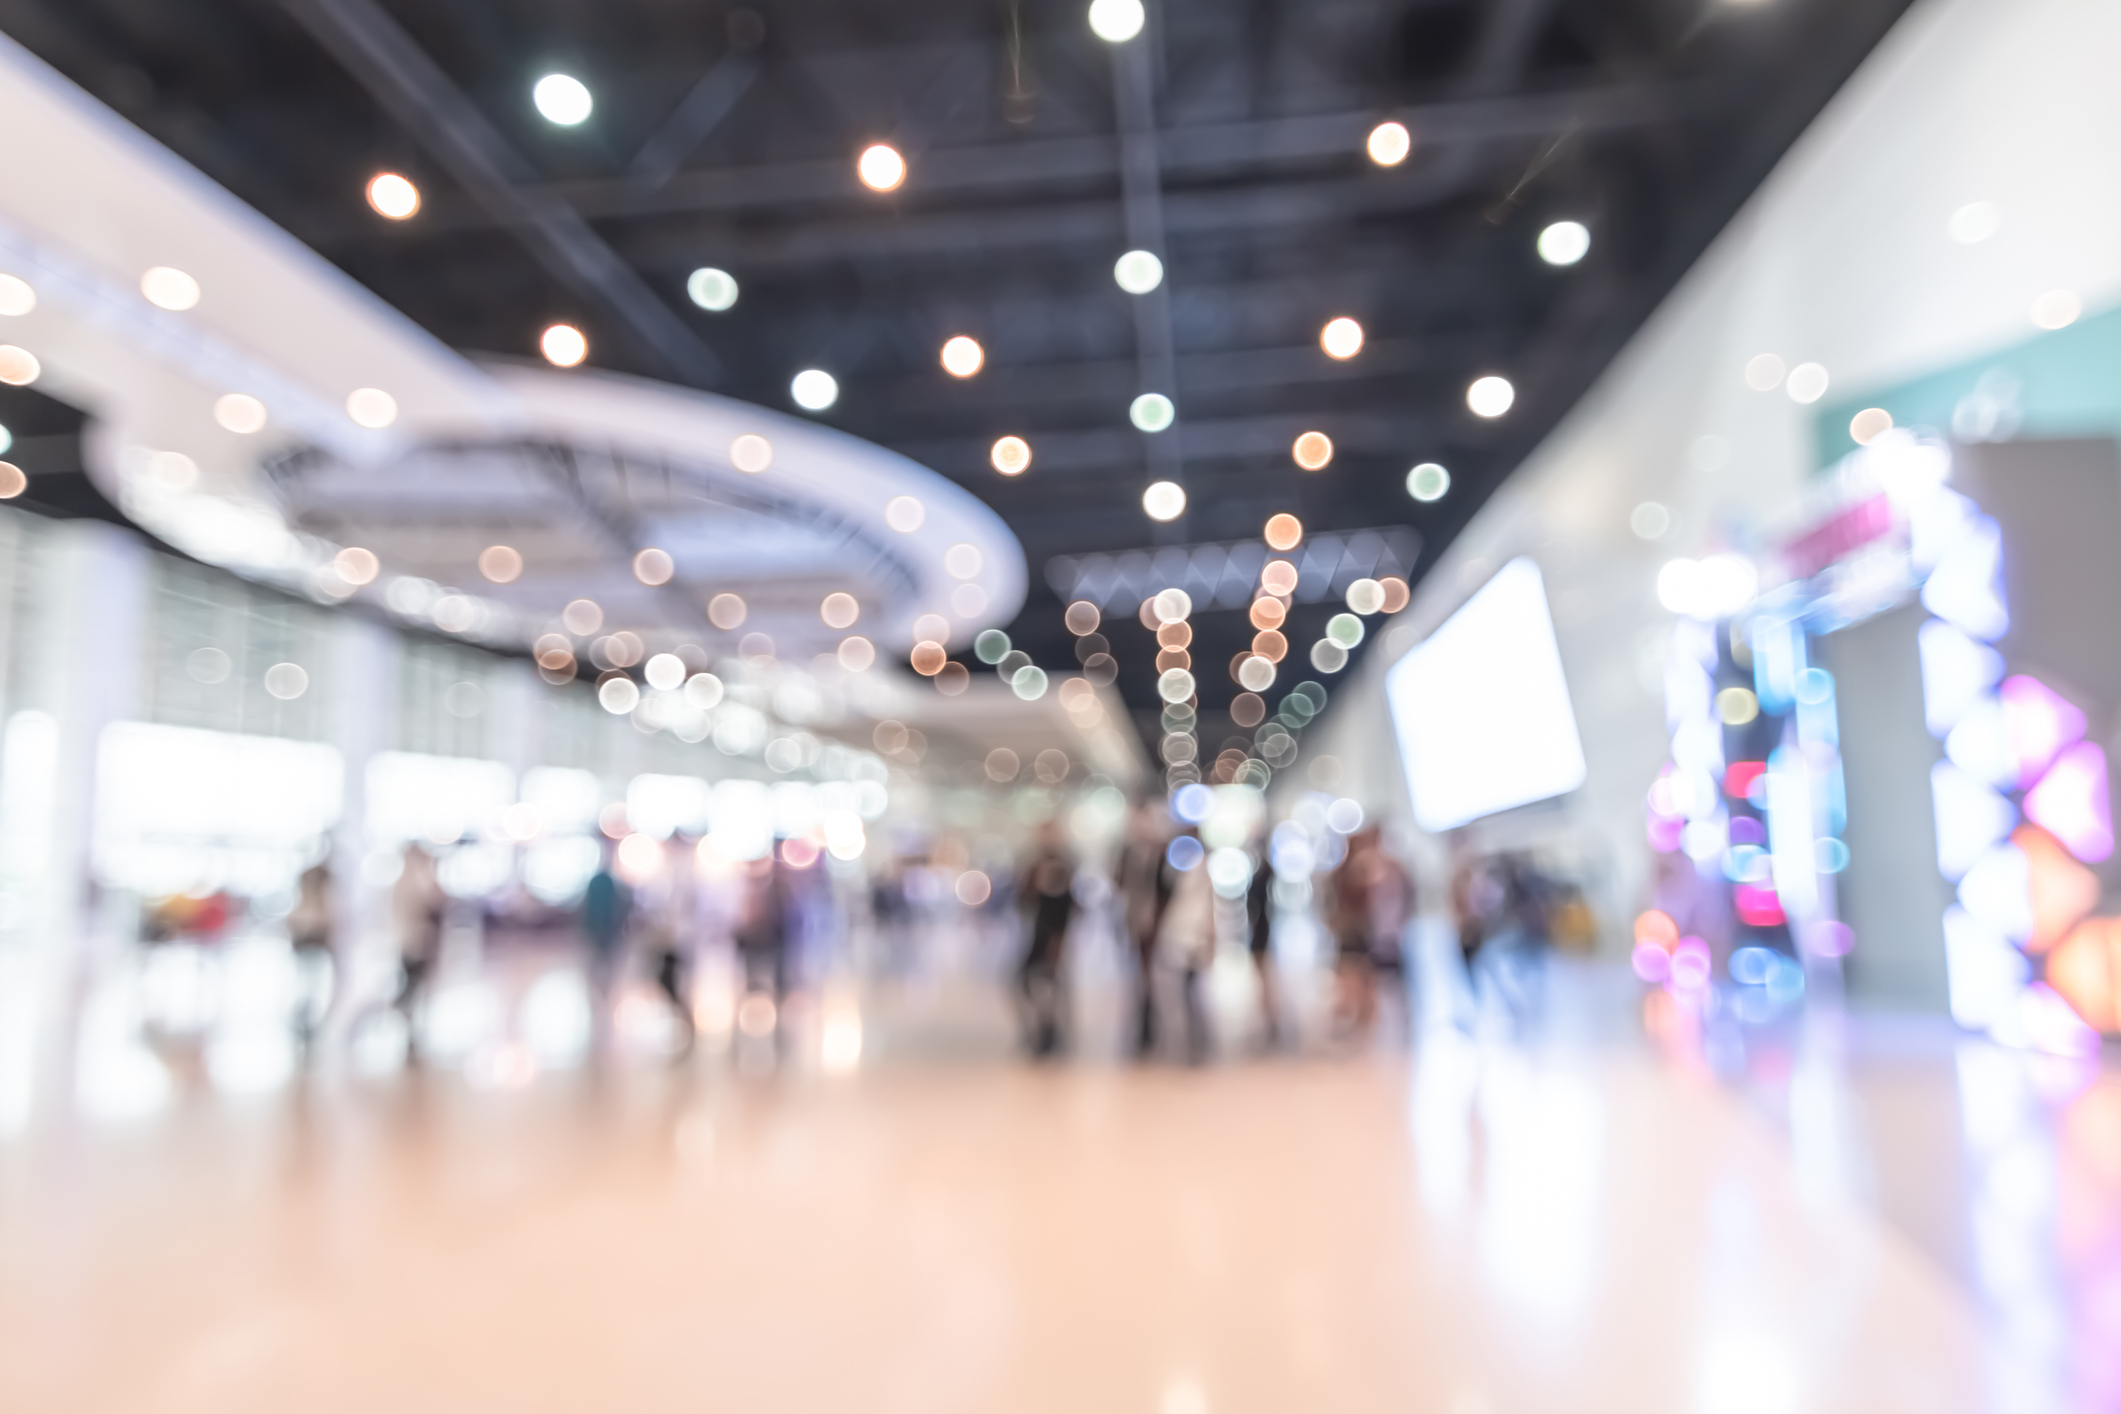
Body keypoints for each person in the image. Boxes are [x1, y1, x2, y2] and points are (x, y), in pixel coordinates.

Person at [1014, 823, 1078, 1058]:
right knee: (1026, 984)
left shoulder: (1062, 867)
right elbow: (1024, 901)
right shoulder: (1035, 866)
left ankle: (1051, 1033)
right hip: (1037, 936)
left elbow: (1065, 908)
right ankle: (1040, 1030)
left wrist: (1058, 943)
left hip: (1052, 939)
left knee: (1051, 987)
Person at [1116, 804, 1173, 1057]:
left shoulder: (1162, 855)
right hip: (1134, 919)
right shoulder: (1128, 853)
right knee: (1138, 976)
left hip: (1154, 922)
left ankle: (1152, 1026)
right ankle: (1142, 1027)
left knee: (1152, 976)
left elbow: (1167, 890)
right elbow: (1118, 881)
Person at [1155, 830, 1216, 1064]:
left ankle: (1196, 1043)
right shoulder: (1179, 876)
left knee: (1192, 995)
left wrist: (1209, 940)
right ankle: (1184, 1042)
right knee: (1180, 995)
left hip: (1194, 940)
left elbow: (1208, 912)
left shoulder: (1203, 877)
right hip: (1179, 938)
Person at [388, 843, 444, 1057]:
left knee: (416, 983)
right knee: (412, 983)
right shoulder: (411, 880)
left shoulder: (415, 878)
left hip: (417, 940)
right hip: (413, 941)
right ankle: (405, 1016)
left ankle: (410, 1017)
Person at [286, 860, 336, 1050]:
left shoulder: (321, 902)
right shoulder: (307, 903)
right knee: (306, 989)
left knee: (311, 989)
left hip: (314, 949)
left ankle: (307, 1026)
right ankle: (302, 1025)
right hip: (307, 948)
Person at [580, 844, 632, 1007]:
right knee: (600, 959)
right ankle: (600, 988)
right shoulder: (601, 883)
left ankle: (603, 988)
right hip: (601, 928)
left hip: (605, 929)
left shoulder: (607, 883)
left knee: (603, 959)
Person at [1244, 834, 1282, 1049]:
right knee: (1262, 979)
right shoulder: (1263, 873)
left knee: (1264, 979)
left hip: (1261, 931)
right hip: (1260, 930)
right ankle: (1268, 1018)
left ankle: (1271, 1019)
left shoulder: (1264, 874)